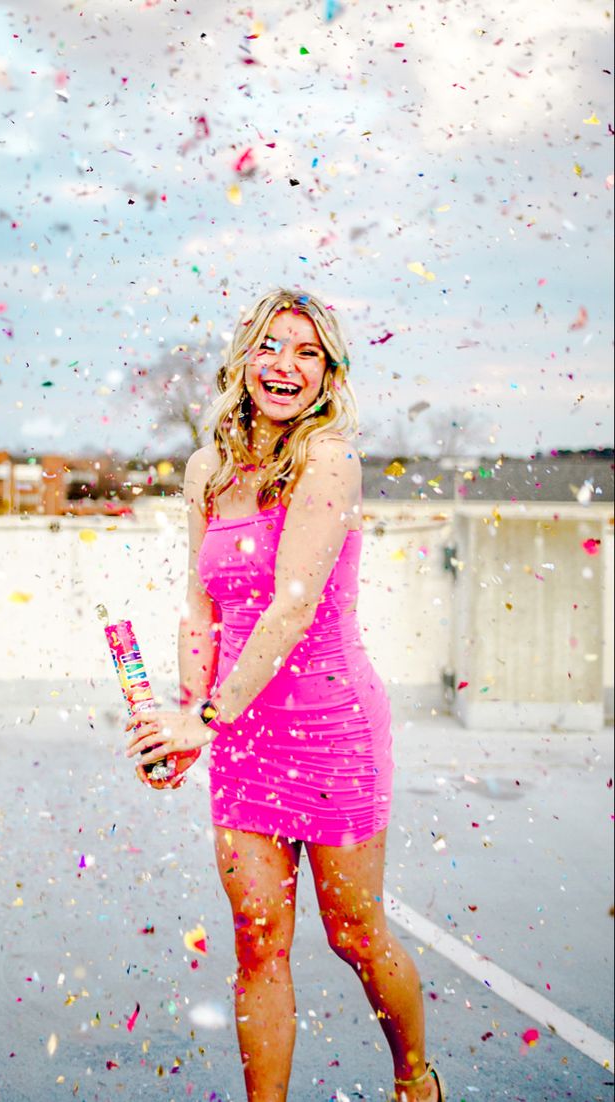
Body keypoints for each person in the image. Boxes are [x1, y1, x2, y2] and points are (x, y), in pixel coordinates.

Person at [126, 288, 445, 1102]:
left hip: (333, 732)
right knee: (258, 941)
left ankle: (416, 1082)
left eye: (307, 353)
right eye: (272, 346)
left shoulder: (329, 460)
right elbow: (204, 605)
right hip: (241, 737)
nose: (286, 367)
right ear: (244, 359)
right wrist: (181, 719)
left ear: (328, 373)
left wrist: (202, 717)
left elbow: (293, 603)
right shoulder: (207, 470)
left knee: (353, 934)